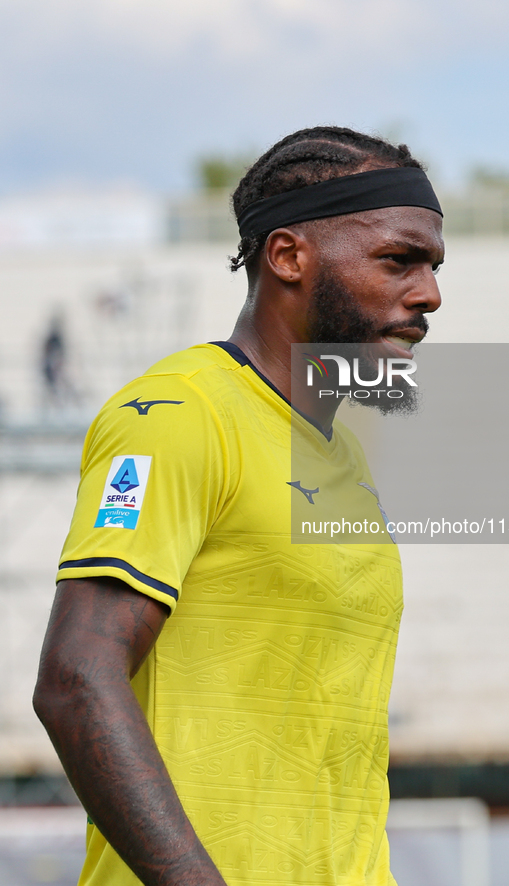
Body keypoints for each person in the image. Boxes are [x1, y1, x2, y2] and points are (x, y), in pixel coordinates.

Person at [33, 126, 444, 886]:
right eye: (397, 260)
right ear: (287, 257)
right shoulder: (179, 413)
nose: (428, 294)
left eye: (431, 267)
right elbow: (76, 678)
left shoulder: (342, 452)